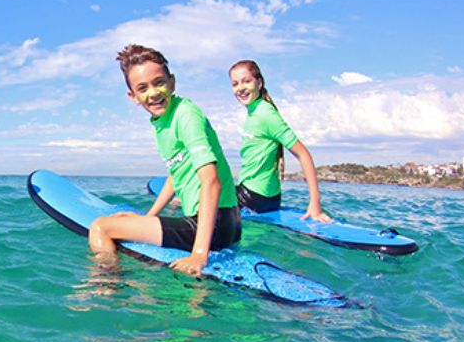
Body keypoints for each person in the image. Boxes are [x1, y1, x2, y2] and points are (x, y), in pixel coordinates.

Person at [89, 45, 241, 277]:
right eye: (143, 88)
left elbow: (211, 181)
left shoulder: (186, 114)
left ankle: (107, 287)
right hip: (225, 225)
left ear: (172, 83)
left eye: (159, 82)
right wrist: (149, 217)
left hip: (212, 227)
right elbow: (176, 173)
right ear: (133, 97)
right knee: (117, 222)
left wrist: (200, 253)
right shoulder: (164, 122)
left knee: (101, 227)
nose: (153, 93)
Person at [229, 60, 332, 222]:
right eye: (235, 84)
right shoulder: (254, 111)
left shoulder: (265, 113)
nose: (240, 88)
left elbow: (303, 154)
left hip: (253, 197)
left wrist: (315, 205)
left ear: (259, 82)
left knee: (191, 202)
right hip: (265, 198)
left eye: (246, 81)